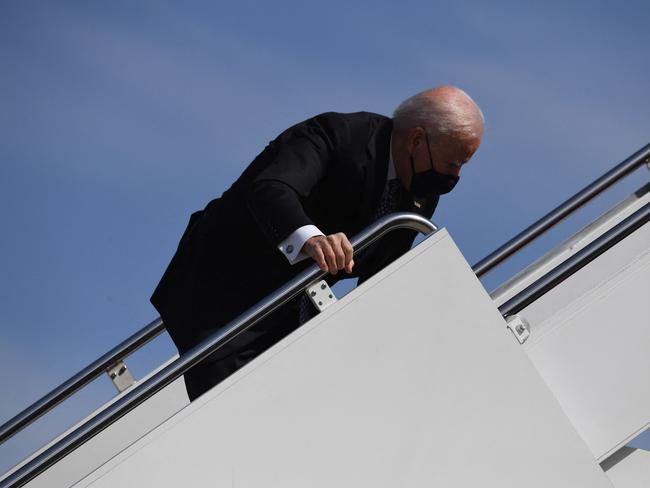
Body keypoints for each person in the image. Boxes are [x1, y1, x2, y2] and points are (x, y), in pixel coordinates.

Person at [151, 85, 484, 401]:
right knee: (232, 415)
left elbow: (383, 275)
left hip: (289, 313)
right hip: (222, 291)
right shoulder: (339, 135)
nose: (454, 177)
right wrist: (312, 240)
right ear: (416, 140)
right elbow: (271, 189)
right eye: (453, 163)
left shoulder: (418, 195)